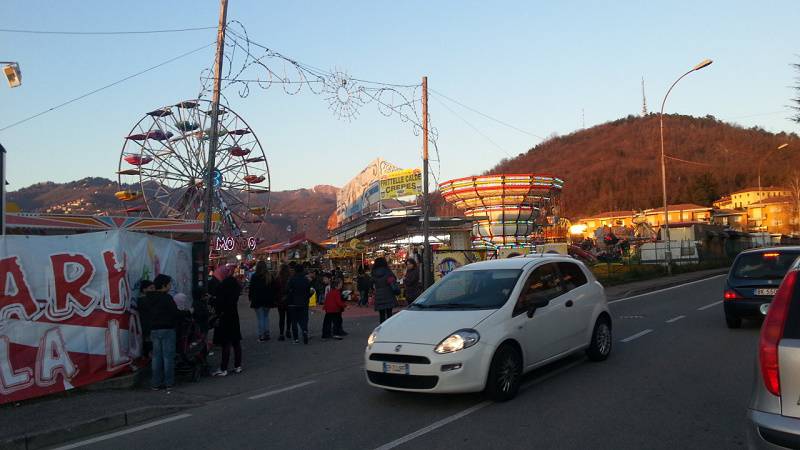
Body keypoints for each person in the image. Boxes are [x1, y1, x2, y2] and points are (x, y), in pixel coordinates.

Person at [139, 274, 180, 390]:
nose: (170, 286)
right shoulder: (166, 298)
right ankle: (169, 382)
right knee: (168, 357)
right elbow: (175, 313)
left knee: (156, 357)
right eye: (169, 284)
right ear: (164, 285)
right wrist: (188, 312)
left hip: (154, 330)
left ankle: (155, 383)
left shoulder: (147, 298)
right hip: (167, 329)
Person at [210, 265, 243, 376]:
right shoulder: (235, 285)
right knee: (236, 342)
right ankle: (238, 366)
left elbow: (220, 302)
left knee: (226, 343)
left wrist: (212, 300)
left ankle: (224, 368)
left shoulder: (222, 286)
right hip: (234, 314)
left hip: (224, 316)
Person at [286, 263, 312, 344]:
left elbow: (287, 290)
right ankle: (304, 330)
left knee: (294, 320)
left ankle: (296, 338)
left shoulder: (292, 279)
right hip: (304, 302)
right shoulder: (306, 280)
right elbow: (309, 291)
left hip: (293, 302)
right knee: (304, 319)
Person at [249, 261, 274, 342]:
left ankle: (261, 335)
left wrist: (250, 297)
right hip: (267, 300)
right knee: (266, 317)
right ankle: (267, 333)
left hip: (257, 300)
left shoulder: (254, 276)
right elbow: (273, 288)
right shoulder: (269, 276)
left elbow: (251, 288)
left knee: (260, 318)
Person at [371, 257, 398, 323]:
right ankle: (389, 328)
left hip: (379, 295)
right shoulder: (387, 271)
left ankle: (382, 329)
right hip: (388, 293)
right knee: (389, 313)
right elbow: (394, 279)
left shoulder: (374, 272)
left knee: (381, 315)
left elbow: (371, 282)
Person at [276, 264, 291, 341]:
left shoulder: (278, 278)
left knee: (281, 318)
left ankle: (281, 334)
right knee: (289, 317)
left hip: (280, 300)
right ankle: (288, 330)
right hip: (289, 300)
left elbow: (275, 290)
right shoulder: (290, 278)